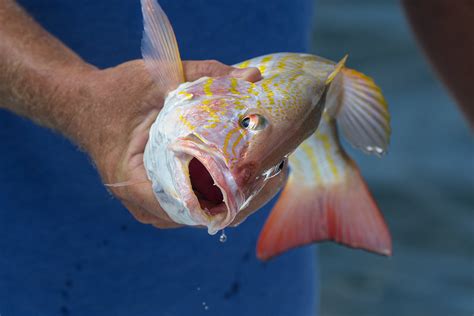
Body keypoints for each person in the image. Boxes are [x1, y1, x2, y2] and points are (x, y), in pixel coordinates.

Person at [0, 0, 317, 315]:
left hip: (263, 286)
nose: (242, 175)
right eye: (246, 124)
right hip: (36, 276)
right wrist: (76, 99)